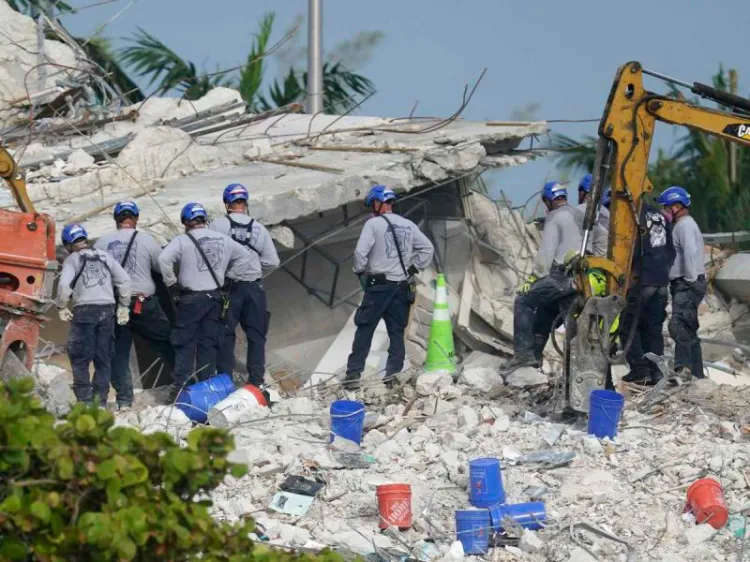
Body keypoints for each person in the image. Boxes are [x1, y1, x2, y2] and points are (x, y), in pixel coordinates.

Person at [344, 185, 434, 390]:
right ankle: (392, 377)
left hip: (378, 287)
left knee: (365, 329)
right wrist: (413, 269)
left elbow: (360, 253)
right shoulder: (408, 224)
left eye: (372, 204)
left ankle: (353, 376)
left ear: (377, 203)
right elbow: (427, 248)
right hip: (401, 286)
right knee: (396, 332)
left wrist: (359, 271)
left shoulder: (373, 224)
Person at [158, 202, 248, 401]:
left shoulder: (182, 240)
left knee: (185, 345)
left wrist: (172, 284)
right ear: (204, 220)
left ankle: (181, 391)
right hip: (215, 299)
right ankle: (206, 390)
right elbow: (245, 257)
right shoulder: (223, 239)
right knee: (208, 345)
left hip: (190, 301)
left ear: (186, 222)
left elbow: (163, 259)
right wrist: (230, 279)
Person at [93, 201, 175, 410]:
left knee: (118, 353)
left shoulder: (102, 243)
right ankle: (186, 384)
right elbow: (162, 266)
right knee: (168, 342)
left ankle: (124, 400)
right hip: (143, 302)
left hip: (114, 304)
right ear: (136, 218)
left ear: (116, 219)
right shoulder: (146, 240)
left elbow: (94, 273)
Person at [505, 181, 582, 372]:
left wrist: (534, 278)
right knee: (547, 309)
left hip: (561, 277)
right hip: (582, 276)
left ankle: (523, 355)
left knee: (524, 300)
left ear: (547, 201)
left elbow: (546, 253)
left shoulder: (554, 217)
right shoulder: (579, 214)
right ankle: (536, 357)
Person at [209, 184, 279, 388]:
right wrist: (255, 271)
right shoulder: (259, 228)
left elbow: (208, 257)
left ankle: (225, 380)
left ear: (226, 203)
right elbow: (272, 261)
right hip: (253, 288)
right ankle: (256, 381)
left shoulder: (217, 226)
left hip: (228, 289)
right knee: (256, 336)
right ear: (245, 203)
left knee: (225, 334)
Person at [57, 223, 131, 406]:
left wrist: (61, 306)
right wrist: (123, 306)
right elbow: (125, 280)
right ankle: (101, 403)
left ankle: (85, 401)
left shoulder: (72, 260)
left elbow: (64, 286)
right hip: (107, 310)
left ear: (68, 244)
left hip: (85, 311)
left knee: (80, 357)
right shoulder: (105, 256)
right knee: (103, 358)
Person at [619, 198, 676, 385]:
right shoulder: (660, 215)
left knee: (628, 325)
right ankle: (657, 371)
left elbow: (628, 250)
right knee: (652, 327)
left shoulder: (631, 216)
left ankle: (640, 369)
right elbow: (671, 251)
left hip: (642, 279)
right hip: (661, 280)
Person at [657, 186, 707, 380]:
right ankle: (697, 374)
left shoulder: (685, 225)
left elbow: (691, 252)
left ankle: (683, 369)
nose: (664, 211)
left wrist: (690, 279)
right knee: (689, 328)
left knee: (679, 325)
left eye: (667, 207)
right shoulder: (682, 224)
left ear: (677, 206)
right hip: (684, 283)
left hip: (687, 283)